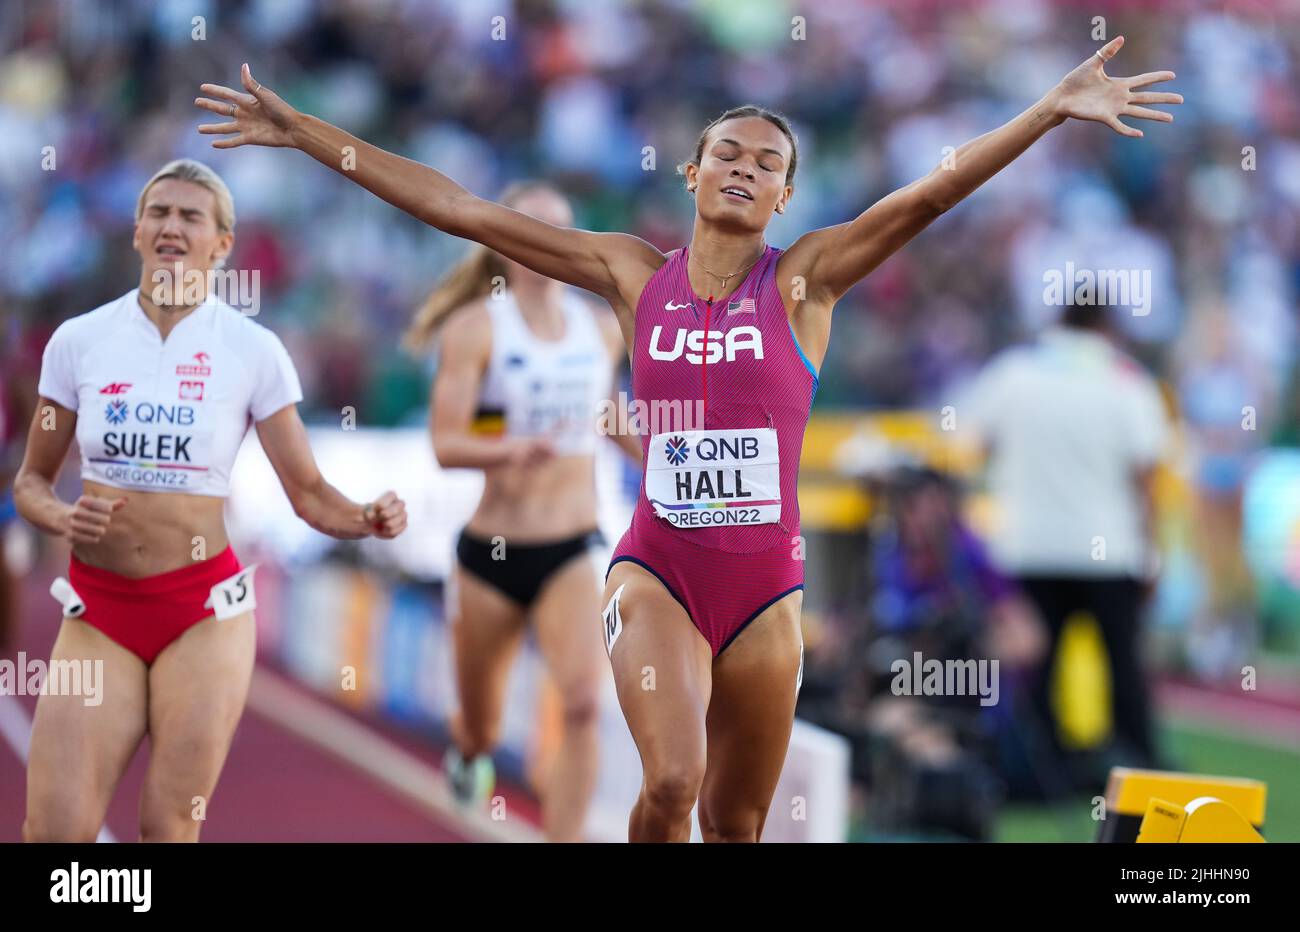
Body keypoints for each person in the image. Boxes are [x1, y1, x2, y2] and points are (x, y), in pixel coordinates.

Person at [196, 36, 1180, 840]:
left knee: (735, 821)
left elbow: (926, 195)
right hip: (658, 571)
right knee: (671, 783)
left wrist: (1049, 109)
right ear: (692, 169)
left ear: (785, 197)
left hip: (766, 593)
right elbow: (458, 206)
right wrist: (307, 134)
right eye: (730, 152)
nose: (746, 169)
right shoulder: (630, 273)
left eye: (768, 164)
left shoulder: (806, 280)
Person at [14, 159, 408, 842]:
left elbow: (310, 495)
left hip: (204, 613)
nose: (171, 226)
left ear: (222, 245)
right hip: (99, 608)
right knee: (55, 833)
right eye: (158, 212)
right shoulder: (77, 343)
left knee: (168, 828)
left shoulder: (253, 352)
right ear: (137, 231)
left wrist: (365, 518)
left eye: (190, 216)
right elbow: (31, 483)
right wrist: (60, 515)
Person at [405, 180, 639, 841]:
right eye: (532, 229)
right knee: (478, 725)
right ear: (503, 244)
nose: (548, 244)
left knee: (586, 704)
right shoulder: (476, 328)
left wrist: (668, 459)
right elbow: (445, 442)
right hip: (492, 553)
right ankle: (472, 752)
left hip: (574, 545)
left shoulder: (599, 329)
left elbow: (610, 411)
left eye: (561, 230)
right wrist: (508, 449)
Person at [963, 302, 1171, 782]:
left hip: (1029, 547)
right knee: (1122, 664)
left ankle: (1041, 770)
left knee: (1039, 671)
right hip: (1109, 550)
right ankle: (1139, 763)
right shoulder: (1128, 381)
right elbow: (1146, 479)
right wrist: (1152, 554)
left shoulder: (1014, 374)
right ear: (1107, 327)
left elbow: (972, 445)